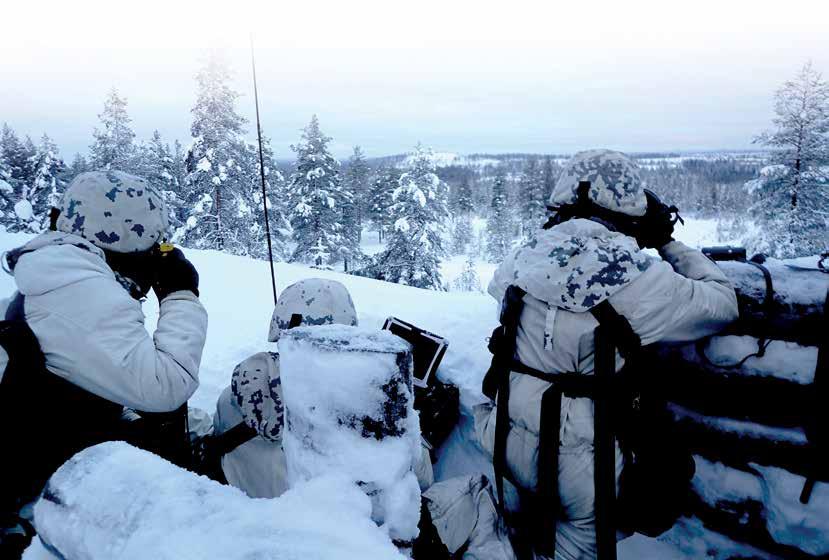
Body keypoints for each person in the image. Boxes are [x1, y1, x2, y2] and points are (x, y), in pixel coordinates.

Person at [472, 150, 740, 560]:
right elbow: (723, 304)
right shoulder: (640, 278)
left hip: (505, 432)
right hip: (582, 460)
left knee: (516, 536)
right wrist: (666, 243)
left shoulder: (521, 257)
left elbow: (510, 292)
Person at [0, 171, 207, 557]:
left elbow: (97, 378)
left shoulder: (60, 275)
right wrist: (180, 294)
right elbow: (165, 387)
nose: (159, 257)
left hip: (55, 464)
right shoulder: (76, 289)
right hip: (46, 506)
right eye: (154, 250)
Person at [206, 277, 435, 499]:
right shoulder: (352, 412)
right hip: (329, 532)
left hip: (248, 520)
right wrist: (409, 420)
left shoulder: (233, 395)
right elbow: (420, 480)